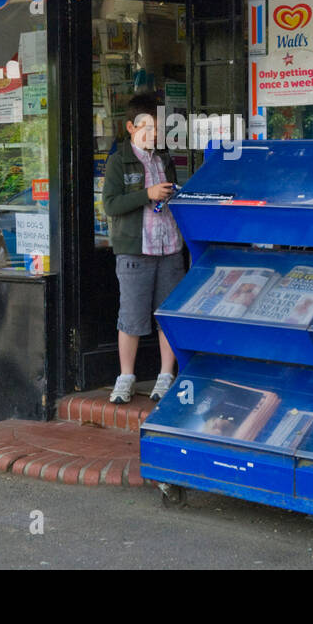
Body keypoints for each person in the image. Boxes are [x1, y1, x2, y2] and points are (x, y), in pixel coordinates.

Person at [102, 93, 185, 404]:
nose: (153, 134)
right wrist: (147, 193)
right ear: (130, 128)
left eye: (157, 128)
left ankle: (166, 376)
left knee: (166, 315)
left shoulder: (164, 160)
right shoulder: (117, 161)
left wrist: (170, 195)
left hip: (169, 248)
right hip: (136, 252)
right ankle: (126, 377)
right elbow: (111, 205)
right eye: (145, 127)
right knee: (132, 317)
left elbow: (169, 200)